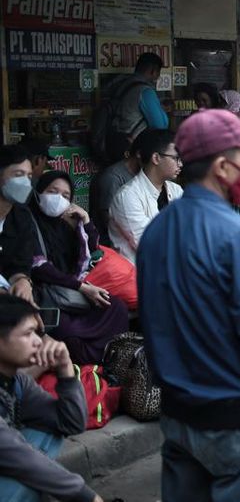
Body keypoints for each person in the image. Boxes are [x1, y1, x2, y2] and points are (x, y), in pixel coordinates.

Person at [137, 110, 240, 500]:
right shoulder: (237, 235)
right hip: (234, 419)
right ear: (223, 168)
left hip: (177, 415)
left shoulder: (157, 230)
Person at [0, 295, 101, 502]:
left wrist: (65, 369)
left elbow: (70, 422)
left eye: (38, 333)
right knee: (28, 480)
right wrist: (86, 496)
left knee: (49, 431)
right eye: (28, 334)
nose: (39, 342)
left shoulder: (16, 380)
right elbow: (15, 454)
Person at [29, 172, 129, 364]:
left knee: (116, 308)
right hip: (48, 296)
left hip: (75, 293)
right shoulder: (28, 222)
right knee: (68, 333)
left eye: (65, 196)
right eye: (52, 191)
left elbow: (92, 253)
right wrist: (81, 287)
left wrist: (86, 222)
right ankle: (85, 364)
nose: (58, 198)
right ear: (39, 192)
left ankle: (105, 362)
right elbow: (40, 268)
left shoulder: (66, 224)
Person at [108, 129, 183, 264]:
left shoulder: (176, 191)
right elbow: (150, 245)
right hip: (136, 278)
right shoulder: (128, 196)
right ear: (156, 158)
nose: (180, 164)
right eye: (175, 158)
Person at [0, 146, 40, 307]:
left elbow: (20, 264)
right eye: (18, 175)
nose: (25, 182)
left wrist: (23, 281)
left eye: (29, 176)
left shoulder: (22, 217)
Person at [90, 135, 142, 245]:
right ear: (139, 154)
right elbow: (107, 218)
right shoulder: (113, 177)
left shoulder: (140, 174)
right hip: (111, 243)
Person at [103, 52, 168, 139]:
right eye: (158, 73)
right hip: (134, 144)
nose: (158, 77)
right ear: (153, 71)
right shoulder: (145, 91)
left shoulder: (122, 85)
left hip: (116, 139)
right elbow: (160, 125)